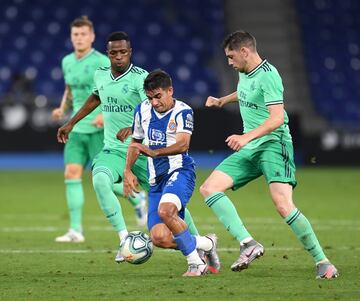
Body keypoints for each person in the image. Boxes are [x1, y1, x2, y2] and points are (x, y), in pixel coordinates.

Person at [200, 30, 338, 279]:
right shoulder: (246, 73)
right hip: (251, 146)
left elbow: (276, 119)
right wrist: (223, 100)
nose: (229, 62)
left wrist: (245, 137)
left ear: (245, 52)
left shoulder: (269, 75)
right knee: (209, 189)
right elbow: (246, 93)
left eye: (231, 57)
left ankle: (323, 262)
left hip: (273, 143)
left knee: (283, 205)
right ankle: (248, 244)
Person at [57, 32, 202, 263]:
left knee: (171, 205)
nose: (118, 57)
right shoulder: (101, 75)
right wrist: (71, 122)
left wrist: (131, 127)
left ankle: (199, 244)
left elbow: (156, 108)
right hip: (114, 150)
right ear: (108, 54)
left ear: (130, 52)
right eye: (113, 53)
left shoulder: (140, 78)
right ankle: (124, 239)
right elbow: (96, 98)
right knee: (100, 180)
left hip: (144, 152)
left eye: (123, 52)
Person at [123, 70, 220, 276]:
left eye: (158, 96)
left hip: (180, 172)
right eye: (150, 98)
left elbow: (183, 144)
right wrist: (128, 170)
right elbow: (136, 143)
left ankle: (196, 264)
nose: (155, 102)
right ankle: (206, 243)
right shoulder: (142, 110)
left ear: (170, 91)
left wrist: (155, 151)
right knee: (159, 238)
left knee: (166, 211)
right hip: (155, 180)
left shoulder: (183, 111)